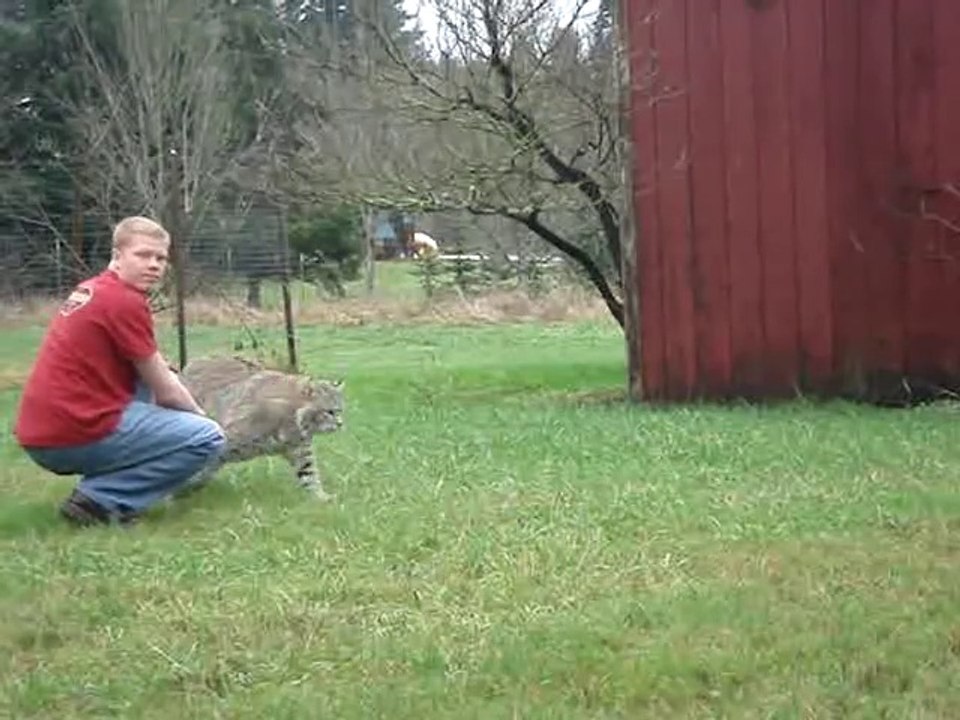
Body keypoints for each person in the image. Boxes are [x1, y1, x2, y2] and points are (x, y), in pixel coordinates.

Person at [12, 216, 226, 527]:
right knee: (206, 437)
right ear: (117, 255)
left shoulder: (93, 289)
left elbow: (152, 370)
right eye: (143, 255)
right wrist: (203, 420)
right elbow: (167, 391)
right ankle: (100, 501)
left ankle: (111, 485)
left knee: (151, 379)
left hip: (42, 431)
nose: (153, 265)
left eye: (161, 258)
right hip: (67, 436)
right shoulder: (123, 301)